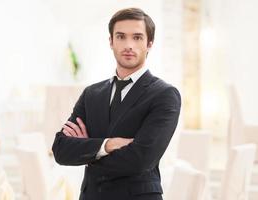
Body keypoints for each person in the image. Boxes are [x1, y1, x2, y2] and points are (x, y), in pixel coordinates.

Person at [52, 7, 181, 200]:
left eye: (137, 37)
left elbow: (141, 159)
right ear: (111, 42)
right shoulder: (92, 93)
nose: (129, 45)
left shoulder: (164, 94)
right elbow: (61, 150)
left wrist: (88, 151)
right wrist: (108, 145)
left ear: (149, 44)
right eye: (121, 37)